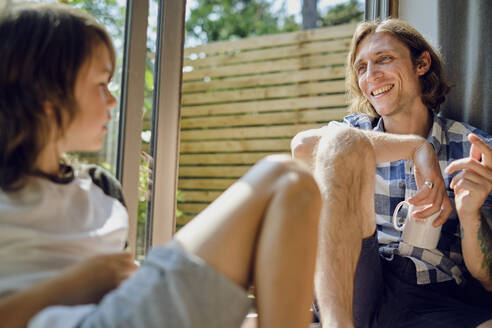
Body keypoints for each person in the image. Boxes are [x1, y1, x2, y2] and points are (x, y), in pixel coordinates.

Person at [0, 3, 322, 328]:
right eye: (101, 85)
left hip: (115, 315)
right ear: (46, 97)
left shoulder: (100, 191)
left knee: (293, 188)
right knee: (285, 177)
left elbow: (122, 289)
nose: (112, 101)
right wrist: (76, 285)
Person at [292, 19, 492, 328]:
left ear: (421, 63)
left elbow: (488, 279)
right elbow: (303, 147)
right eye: (361, 68)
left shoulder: (472, 148)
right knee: (343, 145)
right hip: (354, 286)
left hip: (431, 298)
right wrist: (416, 147)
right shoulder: (351, 134)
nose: (371, 76)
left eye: (383, 59)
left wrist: (470, 215)